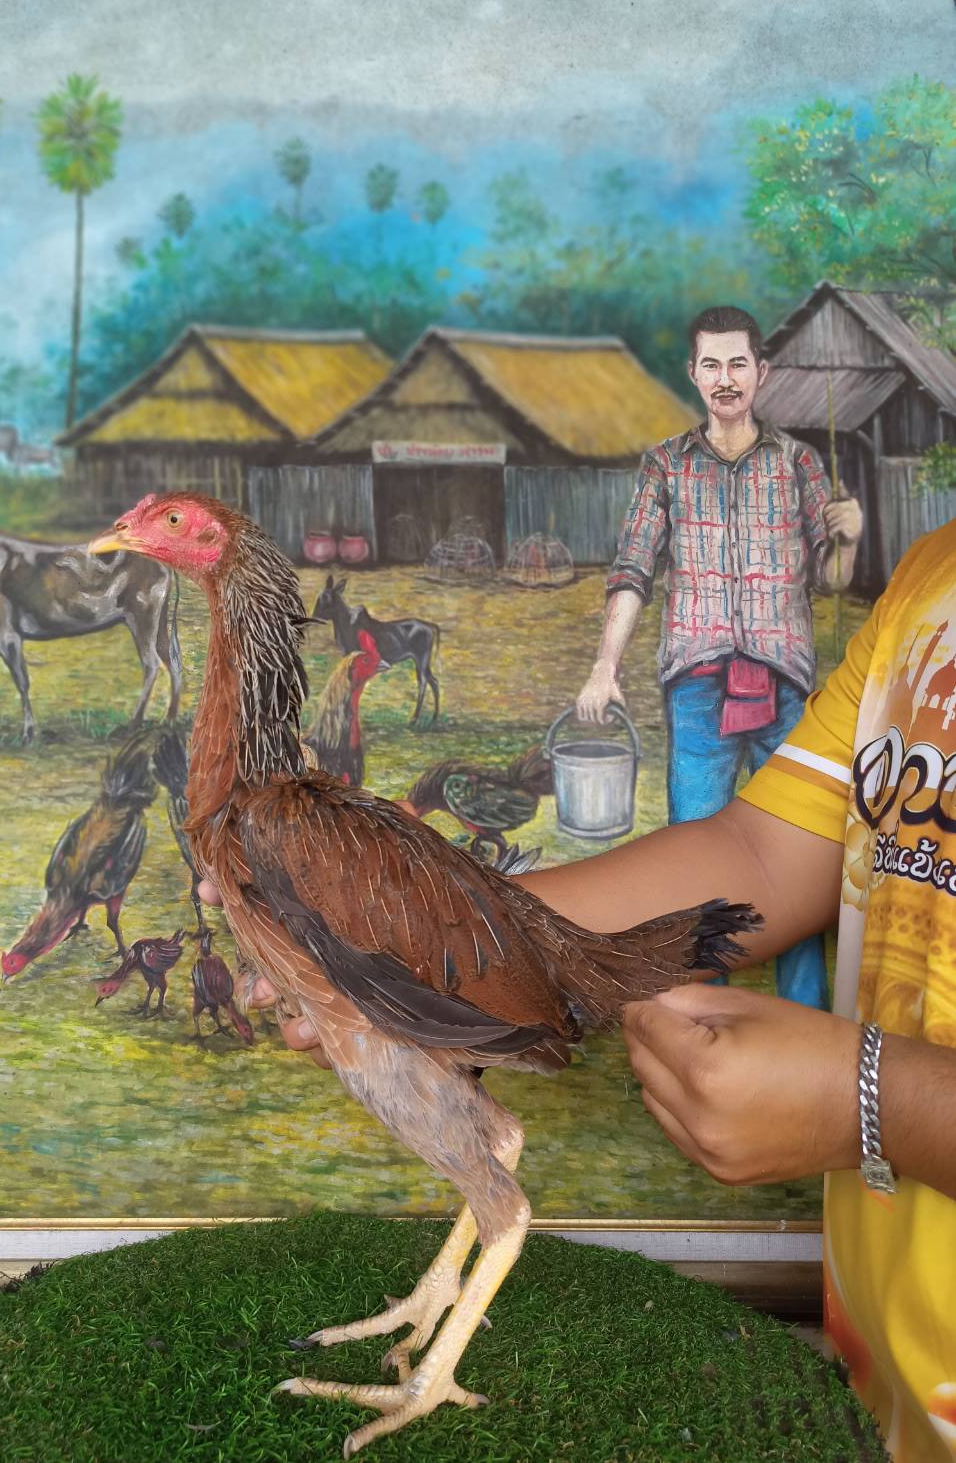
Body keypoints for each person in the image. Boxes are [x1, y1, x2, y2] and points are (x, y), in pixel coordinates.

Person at [207, 515, 956, 1462]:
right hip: (880, 1392)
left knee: (499, 1197)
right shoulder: (930, 583)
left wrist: (876, 1101)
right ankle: (437, 1294)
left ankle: (437, 1366)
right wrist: (399, 922)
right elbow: (762, 851)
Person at [576, 305, 864, 1011]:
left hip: (785, 686)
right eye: (712, 364)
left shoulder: (799, 463)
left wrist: (851, 538)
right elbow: (632, 571)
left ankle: (803, 1016)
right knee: (695, 862)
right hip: (698, 687)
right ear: (694, 373)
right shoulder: (665, 465)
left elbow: (832, 580)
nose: (726, 378)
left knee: (798, 854)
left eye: (738, 363)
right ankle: (705, 1017)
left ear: (761, 372)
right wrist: (605, 666)